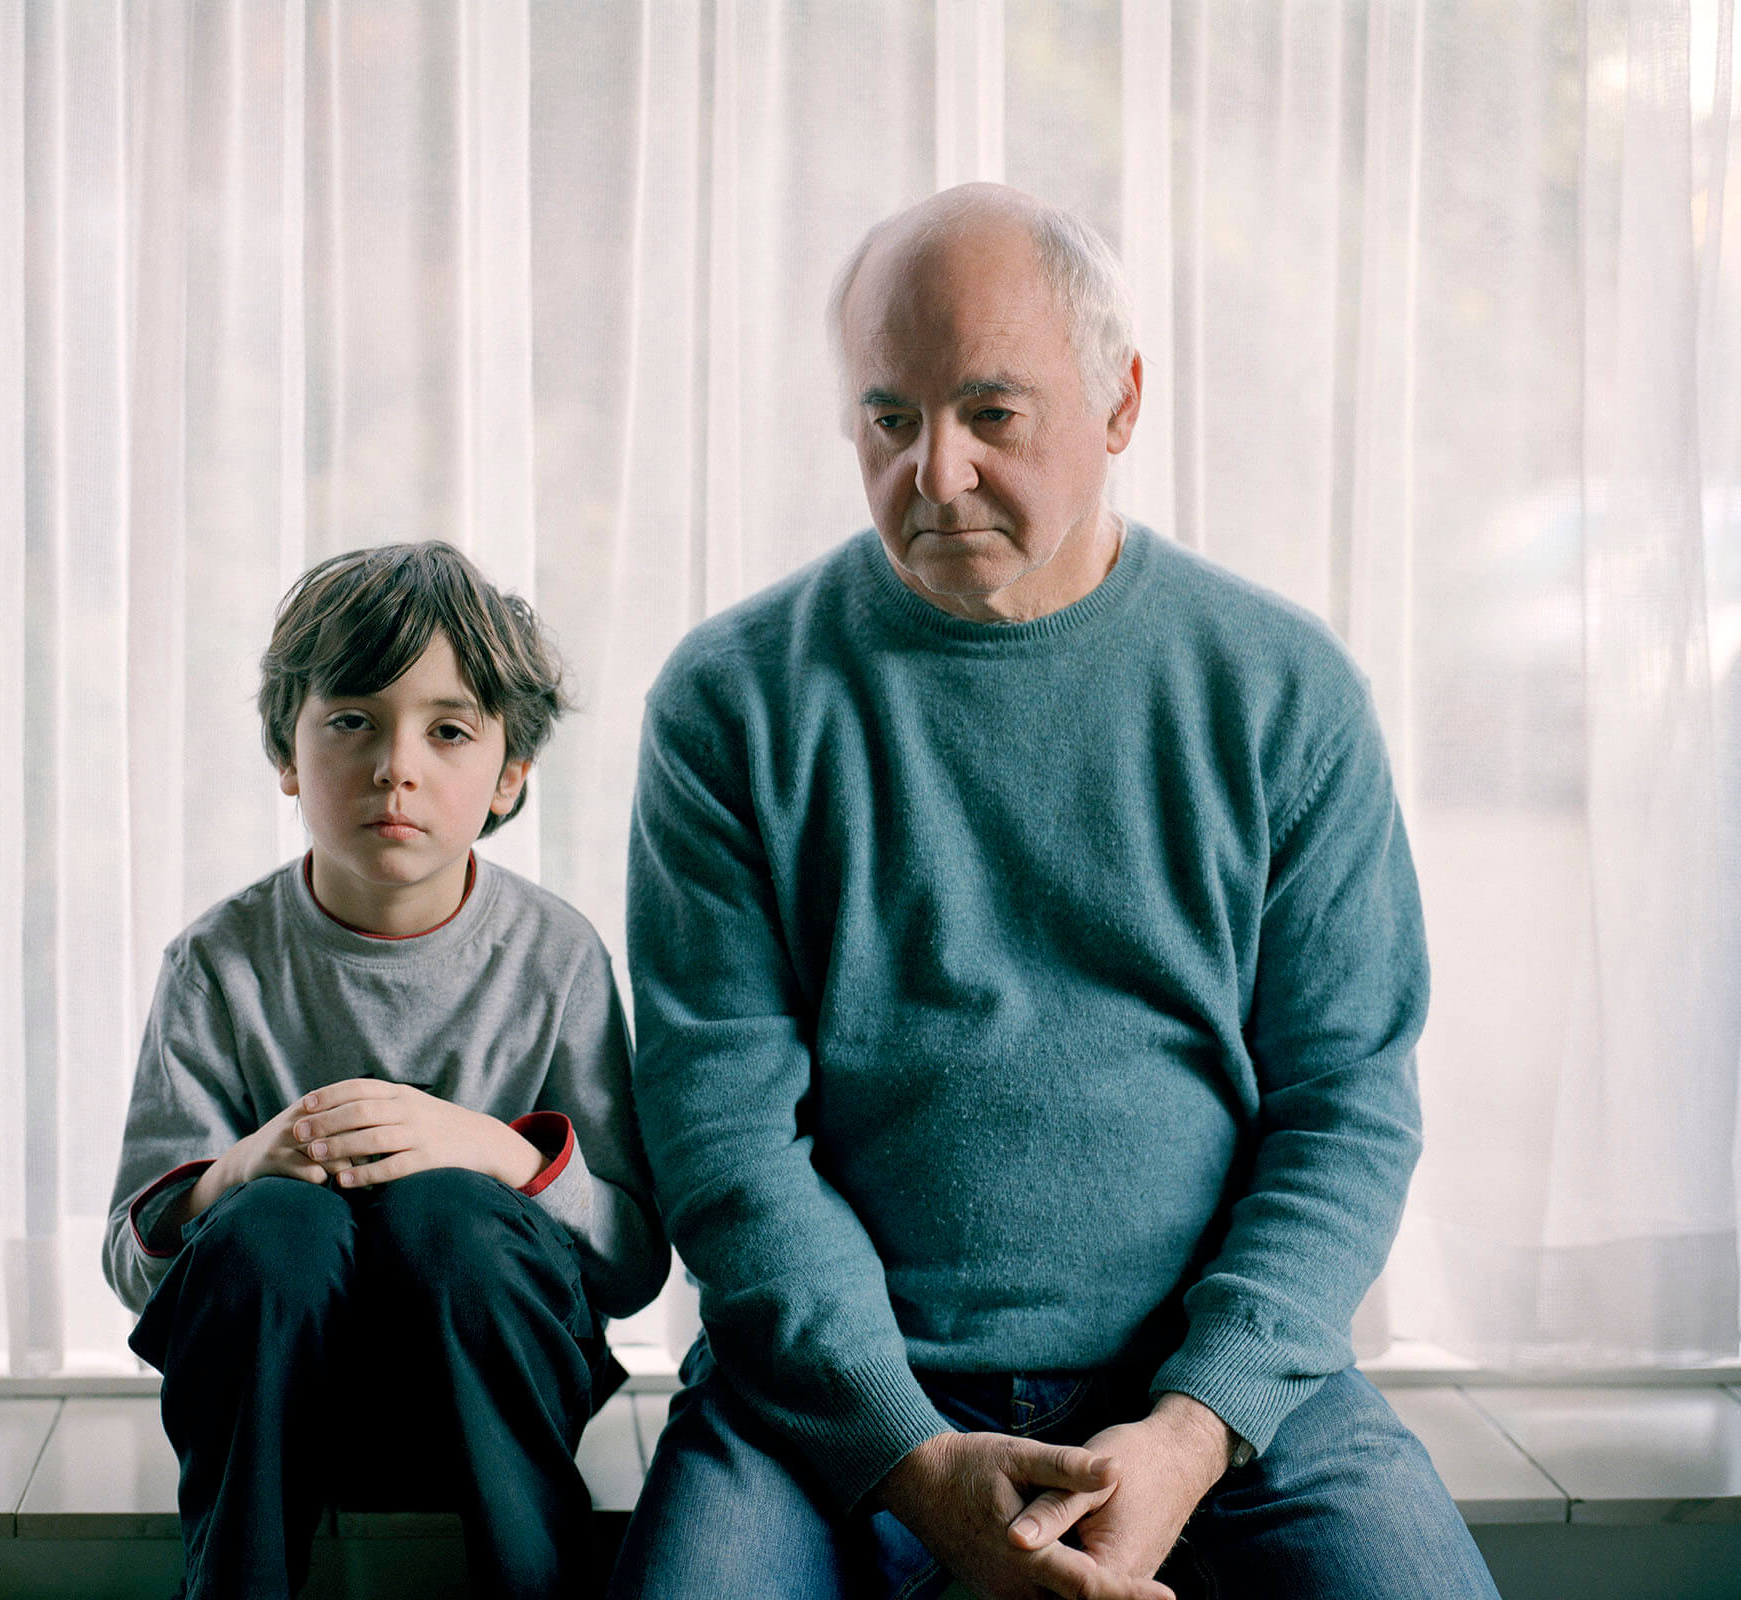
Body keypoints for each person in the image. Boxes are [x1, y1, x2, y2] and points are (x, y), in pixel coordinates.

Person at [611, 185, 1501, 1600]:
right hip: (834, 1393)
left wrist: (1193, 1429)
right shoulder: (732, 701)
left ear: (1120, 403)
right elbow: (723, 1139)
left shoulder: (1280, 691)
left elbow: (1346, 1106)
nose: (936, 471)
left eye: (991, 413)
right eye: (889, 418)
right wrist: (909, 1455)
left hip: (1216, 1384)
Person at [103, 541, 669, 1600]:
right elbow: (131, 1266)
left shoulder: (555, 958)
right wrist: (243, 1169)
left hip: (497, 1404)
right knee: (276, 1222)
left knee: (450, 1210)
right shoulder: (218, 962)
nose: (395, 765)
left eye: (447, 730)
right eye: (352, 721)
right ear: (287, 752)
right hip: (275, 1412)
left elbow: (634, 1262)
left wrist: (494, 1150)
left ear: (509, 774)